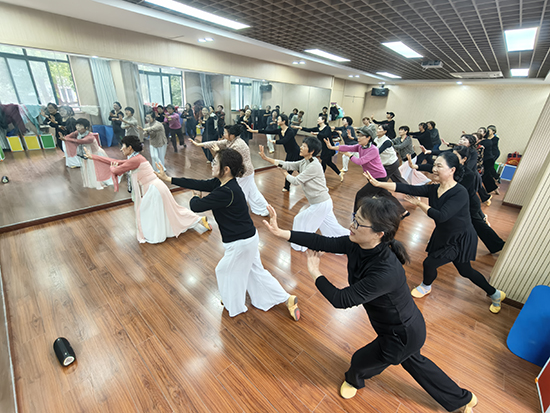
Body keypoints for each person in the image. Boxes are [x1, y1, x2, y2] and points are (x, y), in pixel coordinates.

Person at [263, 198, 479, 412]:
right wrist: (281, 232)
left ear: (379, 234)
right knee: (415, 363)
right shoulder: (358, 244)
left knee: (360, 361)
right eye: (354, 218)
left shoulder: (385, 271)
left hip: (400, 335)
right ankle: (463, 399)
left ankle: (354, 380)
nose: (351, 225)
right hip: (405, 328)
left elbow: (341, 300)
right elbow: (323, 242)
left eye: (359, 223)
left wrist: (315, 272)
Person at [156, 148, 300, 320]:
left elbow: (196, 206)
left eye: (215, 163)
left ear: (226, 169)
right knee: (255, 272)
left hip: (241, 243)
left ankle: (234, 304)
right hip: (248, 238)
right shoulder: (222, 183)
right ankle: (287, 299)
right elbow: (199, 183)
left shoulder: (227, 192)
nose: (212, 165)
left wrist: (195, 196)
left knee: (224, 271)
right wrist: (169, 179)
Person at [364, 151, 506, 313]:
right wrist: (379, 184)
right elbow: (407, 187)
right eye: (434, 165)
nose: (434, 169)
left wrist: (419, 204)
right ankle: (495, 294)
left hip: (460, 238)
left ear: (452, 170)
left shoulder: (460, 192)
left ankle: (426, 286)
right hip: (444, 233)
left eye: (439, 166)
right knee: (465, 270)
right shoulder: (434, 188)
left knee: (431, 263)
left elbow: (441, 216)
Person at [84, 135, 211, 243]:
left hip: (154, 189)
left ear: (130, 147)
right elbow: (116, 162)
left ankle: (196, 220)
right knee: (172, 211)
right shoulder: (135, 158)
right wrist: (93, 157)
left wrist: (112, 168)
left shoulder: (135, 160)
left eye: (123, 146)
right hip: (155, 187)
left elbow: (116, 169)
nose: (121, 149)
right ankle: (198, 220)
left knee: (156, 212)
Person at [258, 136, 349, 252]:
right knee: (332, 227)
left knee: (299, 219)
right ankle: (350, 240)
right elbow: (288, 164)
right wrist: (267, 159)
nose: (300, 147)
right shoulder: (305, 161)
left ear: (311, 151)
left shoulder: (314, 165)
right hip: (322, 202)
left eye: (304, 146)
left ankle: (299, 245)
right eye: (302, 145)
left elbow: (296, 181)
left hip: (321, 203)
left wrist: (285, 173)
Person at [324, 129, 407, 217]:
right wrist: (332, 147)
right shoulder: (360, 147)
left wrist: (349, 155)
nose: (358, 138)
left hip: (378, 177)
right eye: (358, 136)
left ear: (368, 138)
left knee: (360, 195)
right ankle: (403, 212)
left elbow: (360, 161)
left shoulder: (373, 149)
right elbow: (347, 147)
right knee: (384, 194)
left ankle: (355, 215)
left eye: (361, 136)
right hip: (371, 176)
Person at [192, 124, 269, 216]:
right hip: (246, 172)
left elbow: (227, 158)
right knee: (253, 192)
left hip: (244, 174)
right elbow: (216, 143)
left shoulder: (238, 145)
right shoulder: (231, 141)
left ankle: (242, 213)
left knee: (240, 195)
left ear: (232, 135)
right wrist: (199, 144)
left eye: (225, 133)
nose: (223, 134)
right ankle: (264, 209)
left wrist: (217, 151)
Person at [247, 114, 301, 192]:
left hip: (296, 152)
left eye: (278, 119)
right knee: (292, 169)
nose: (277, 121)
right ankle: (287, 186)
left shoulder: (290, 131)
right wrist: (253, 131)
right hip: (289, 153)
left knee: (295, 170)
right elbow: (267, 131)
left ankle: (288, 186)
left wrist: (274, 141)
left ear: (283, 121)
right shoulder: (279, 130)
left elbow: (284, 140)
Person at [58, 118, 113, 190]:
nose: (78, 127)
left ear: (86, 127)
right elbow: (69, 136)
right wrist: (64, 137)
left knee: (98, 170)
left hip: (96, 154)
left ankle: (103, 181)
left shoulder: (90, 137)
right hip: (86, 154)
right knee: (90, 170)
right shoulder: (77, 133)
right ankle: (94, 182)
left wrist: (66, 139)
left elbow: (80, 141)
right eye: (77, 125)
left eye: (80, 126)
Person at [293, 115, 344, 181]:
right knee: (328, 162)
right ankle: (339, 174)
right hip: (324, 148)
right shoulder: (318, 128)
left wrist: (317, 134)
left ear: (323, 120)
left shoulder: (327, 128)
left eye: (319, 119)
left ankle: (320, 177)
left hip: (329, 148)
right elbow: (309, 129)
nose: (317, 120)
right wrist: (300, 127)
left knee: (324, 162)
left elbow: (325, 135)